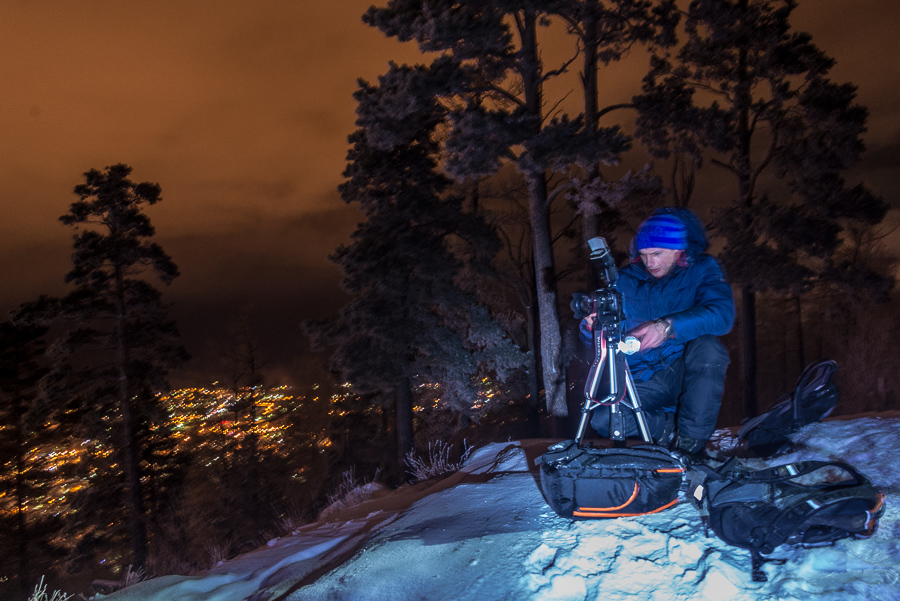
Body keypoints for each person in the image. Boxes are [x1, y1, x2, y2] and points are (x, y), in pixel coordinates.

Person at [579, 208, 735, 457]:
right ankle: (670, 432)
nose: (650, 262)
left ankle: (690, 444)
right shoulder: (625, 279)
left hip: (683, 367)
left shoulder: (702, 268)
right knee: (604, 418)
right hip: (643, 377)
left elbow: (722, 314)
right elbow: (605, 338)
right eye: (643, 254)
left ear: (677, 249)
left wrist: (667, 327)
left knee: (709, 347)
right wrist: (592, 327)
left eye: (657, 254)